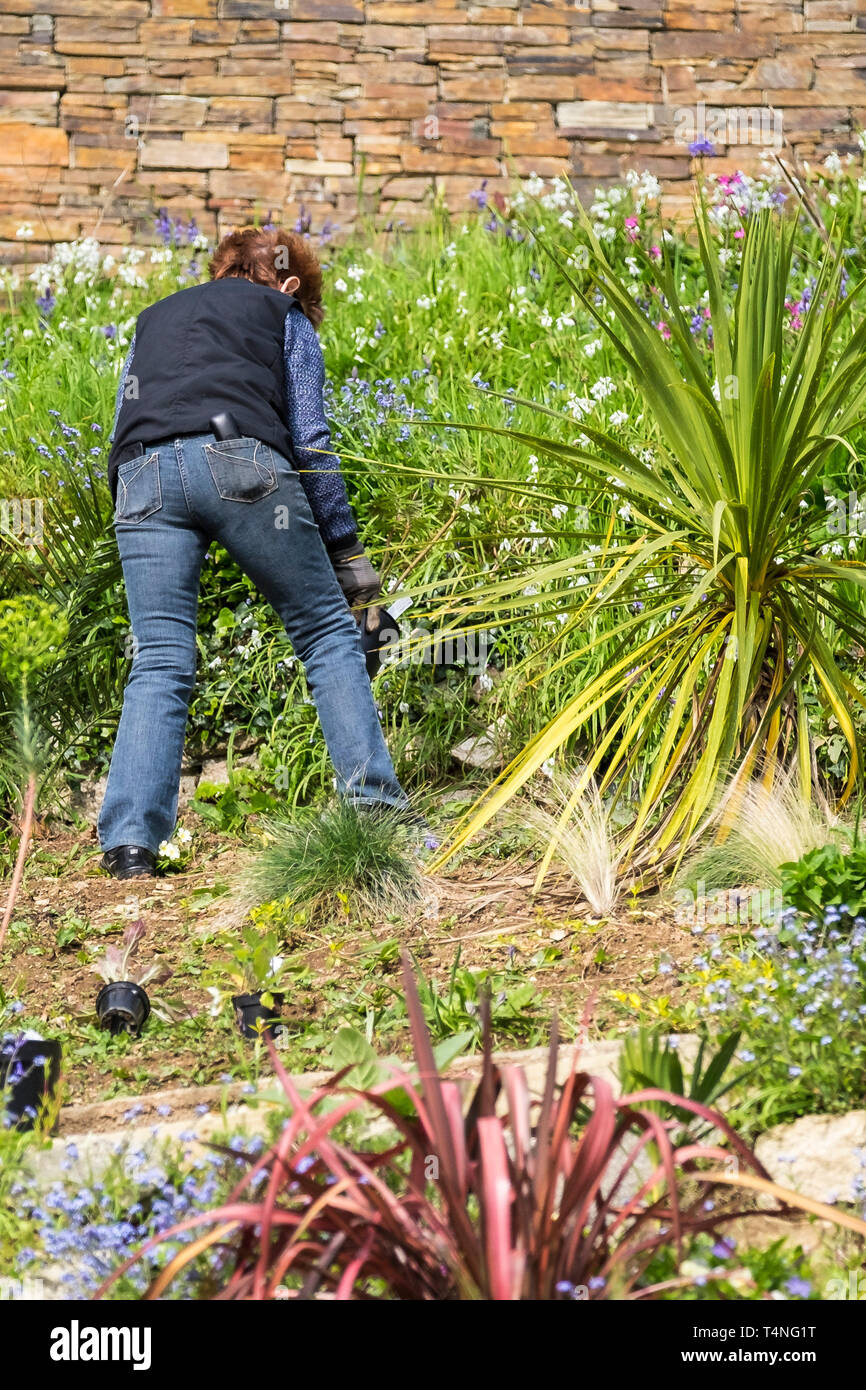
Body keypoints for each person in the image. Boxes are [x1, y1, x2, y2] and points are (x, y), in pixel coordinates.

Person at [98, 225, 408, 880]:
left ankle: (131, 846)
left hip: (140, 476)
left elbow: (125, 420)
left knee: (159, 658)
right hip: (238, 461)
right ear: (290, 284)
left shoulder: (154, 317)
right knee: (327, 633)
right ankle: (376, 811)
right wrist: (356, 571)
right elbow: (313, 441)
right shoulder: (283, 313)